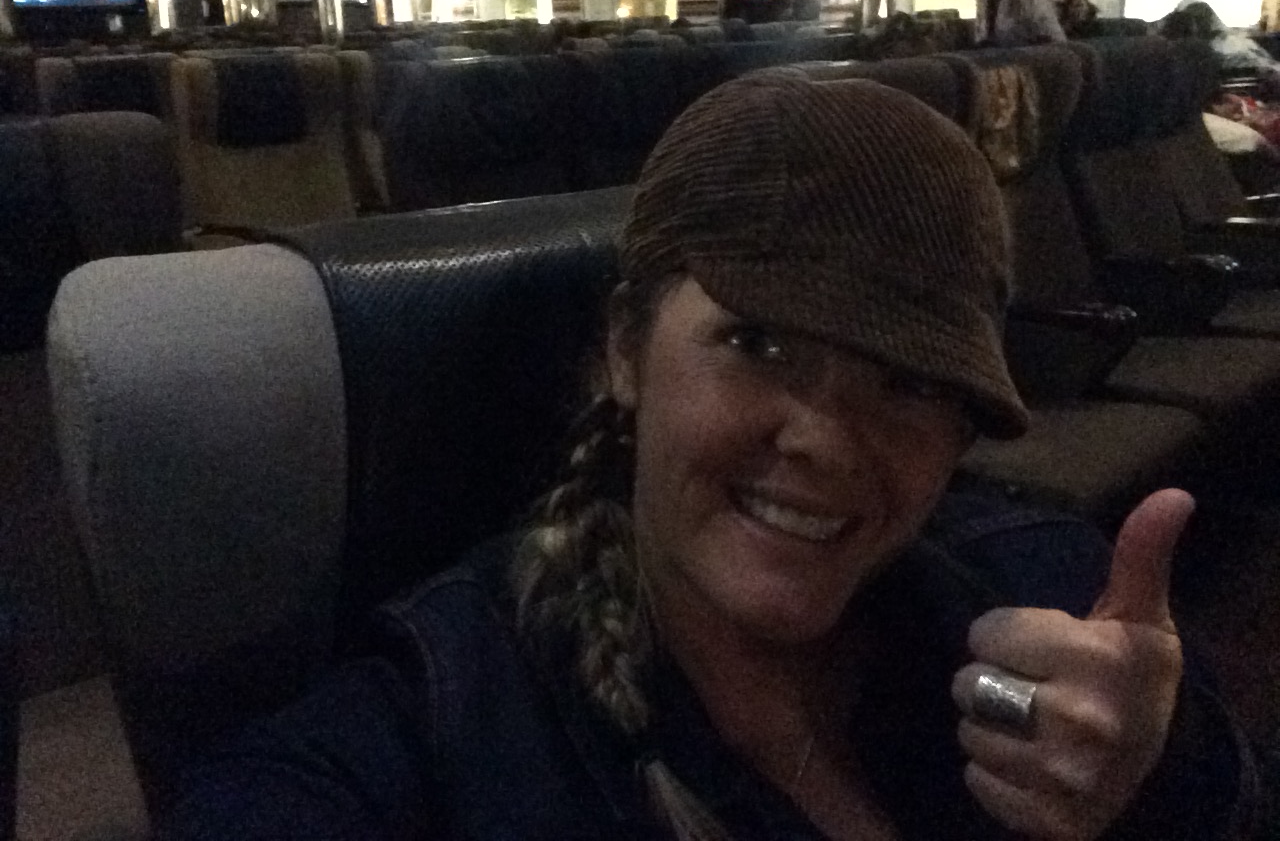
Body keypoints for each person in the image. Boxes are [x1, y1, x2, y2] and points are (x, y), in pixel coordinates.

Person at [156, 71, 1258, 840]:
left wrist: (1169, 779)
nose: (826, 441)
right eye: (757, 343)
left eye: (909, 380)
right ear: (624, 351)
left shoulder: (1046, 590)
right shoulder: (446, 719)